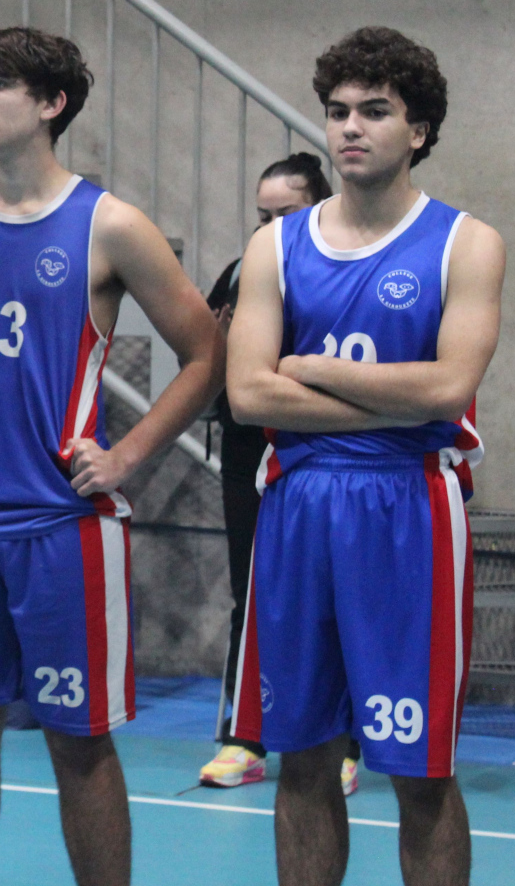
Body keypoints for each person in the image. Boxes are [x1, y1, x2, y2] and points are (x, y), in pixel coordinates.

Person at [0, 27, 225, 886]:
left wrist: (128, 454)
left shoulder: (111, 225)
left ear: (51, 103)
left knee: (79, 742)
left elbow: (207, 352)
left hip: (62, 526)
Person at [228, 27, 503, 886]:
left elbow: (448, 389)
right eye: (339, 111)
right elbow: (247, 395)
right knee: (302, 756)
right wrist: (388, 395)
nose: (351, 127)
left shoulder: (466, 242)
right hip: (299, 507)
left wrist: (311, 368)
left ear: (418, 130)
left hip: (409, 508)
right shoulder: (276, 245)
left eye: (375, 111)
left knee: (420, 770)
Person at [198, 153, 366, 796]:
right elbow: (217, 365)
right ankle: (245, 737)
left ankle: (346, 743)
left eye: (284, 213)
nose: (269, 226)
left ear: (318, 204)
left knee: (345, 601)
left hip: (334, 456)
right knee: (253, 592)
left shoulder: (346, 271)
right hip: (252, 455)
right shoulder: (245, 270)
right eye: (261, 215)